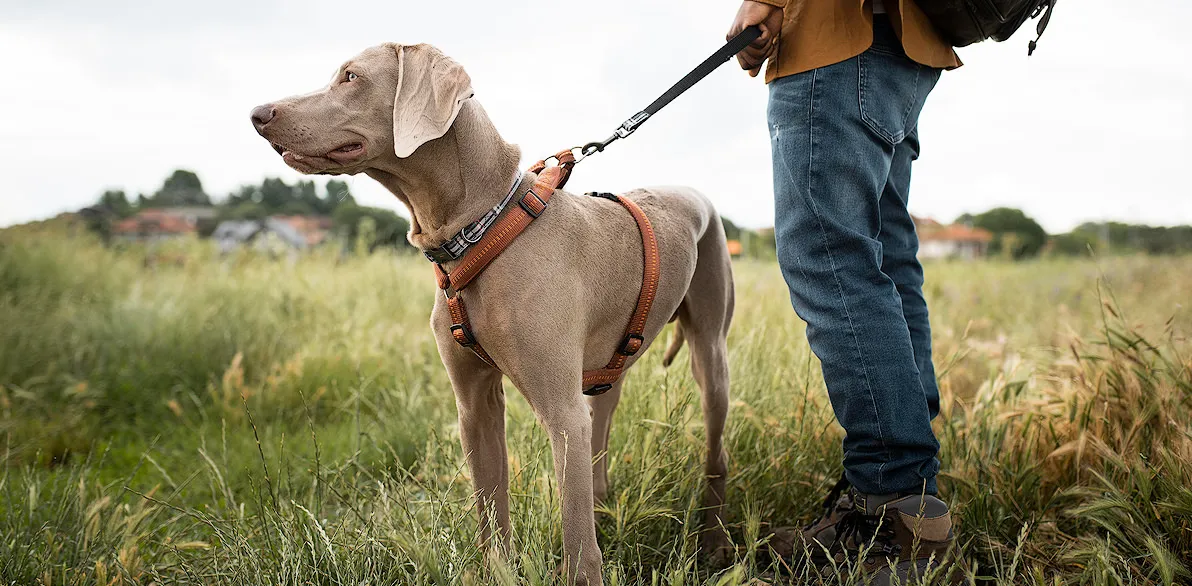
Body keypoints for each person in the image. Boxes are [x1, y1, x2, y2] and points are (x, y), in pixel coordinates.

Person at [726, 0, 964, 582]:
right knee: (881, 260)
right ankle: (913, 493)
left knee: (831, 261)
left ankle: (894, 503)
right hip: (905, 46)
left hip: (837, 42)